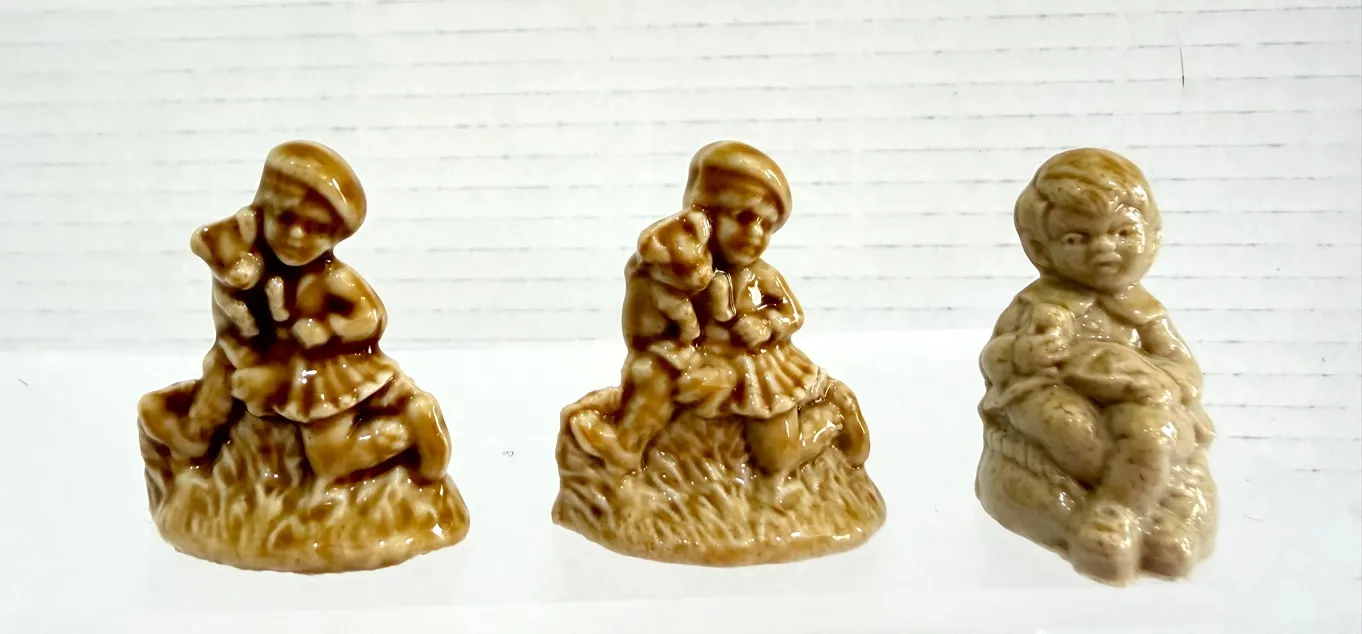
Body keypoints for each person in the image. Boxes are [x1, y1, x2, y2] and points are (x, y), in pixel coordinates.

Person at [138, 141, 450, 481]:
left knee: (330, 460)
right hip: (262, 359)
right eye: (285, 218)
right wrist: (234, 268)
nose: (296, 235)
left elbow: (371, 319)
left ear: (334, 236)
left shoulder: (331, 279)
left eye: (316, 228)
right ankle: (198, 432)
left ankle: (407, 430)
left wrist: (327, 330)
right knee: (220, 368)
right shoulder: (252, 248)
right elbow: (207, 240)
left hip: (320, 372)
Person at [567, 141, 869, 475]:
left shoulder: (762, 276)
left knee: (776, 458)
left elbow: (793, 314)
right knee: (653, 374)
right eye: (744, 217)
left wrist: (766, 324)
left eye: (767, 226)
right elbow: (648, 326)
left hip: (760, 370)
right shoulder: (689, 269)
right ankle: (626, 445)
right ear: (706, 216)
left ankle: (833, 414)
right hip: (710, 363)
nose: (755, 234)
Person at [979, 148, 1215, 575]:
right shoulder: (1040, 304)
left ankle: (1121, 514)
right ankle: (1126, 508)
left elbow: (1186, 374)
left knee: (1154, 434)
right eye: (1077, 239)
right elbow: (995, 358)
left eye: (1123, 232)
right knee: (1067, 426)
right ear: (1040, 250)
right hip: (1045, 395)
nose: (1104, 248)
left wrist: (1150, 378)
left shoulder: (1144, 313)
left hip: (1139, 404)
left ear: (1153, 237)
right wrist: (1023, 353)